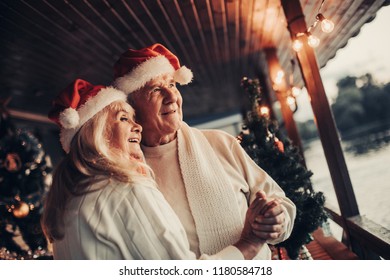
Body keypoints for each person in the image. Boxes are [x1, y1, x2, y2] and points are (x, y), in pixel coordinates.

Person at [41, 78, 273, 260]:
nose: (137, 127)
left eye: (172, 84)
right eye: (123, 119)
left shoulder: (69, 201)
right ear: (97, 135)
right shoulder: (126, 190)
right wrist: (249, 244)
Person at [112, 43, 297, 260]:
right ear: (132, 108)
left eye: (172, 85)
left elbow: (280, 202)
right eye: (154, 89)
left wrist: (277, 219)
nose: (171, 96)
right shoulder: (129, 174)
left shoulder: (221, 143)